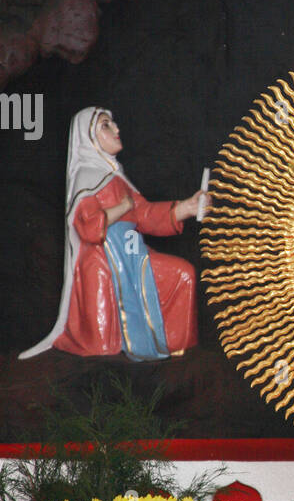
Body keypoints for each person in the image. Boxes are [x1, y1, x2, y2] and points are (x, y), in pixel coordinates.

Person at [20, 107, 209, 361]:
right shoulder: (86, 178)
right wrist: (122, 208)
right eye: (106, 125)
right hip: (104, 261)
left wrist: (187, 207)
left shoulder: (118, 179)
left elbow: (145, 215)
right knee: (104, 341)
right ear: (89, 138)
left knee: (182, 274)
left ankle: (173, 346)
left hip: (134, 254)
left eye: (114, 124)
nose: (117, 129)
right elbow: (89, 227)